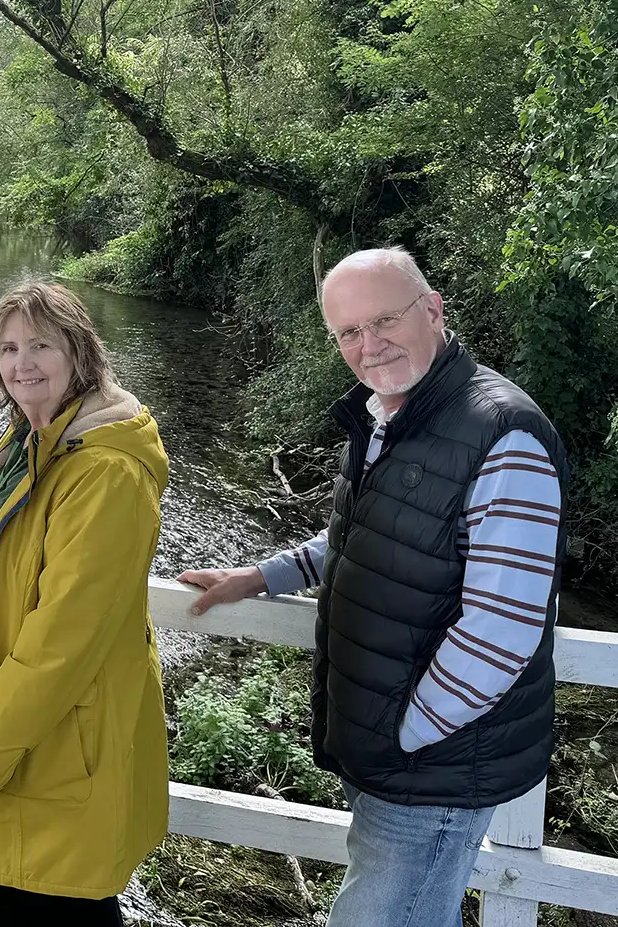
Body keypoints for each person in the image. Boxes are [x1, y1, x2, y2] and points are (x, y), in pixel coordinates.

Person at [177, 247, 566, 927]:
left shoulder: (504, 435)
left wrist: (401, 736)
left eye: (384, 320)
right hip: (396, 755)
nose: (369, 344)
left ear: (434, 311)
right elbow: (371, 537)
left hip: (432, 768)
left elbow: (500, 634)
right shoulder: (389, 414)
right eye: (348, 332)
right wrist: (260, 577)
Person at [0, 280, 169, 926]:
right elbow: (22, 548)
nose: (21, 362)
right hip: (23, 746)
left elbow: (62, 641)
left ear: (79, 353)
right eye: (7, 348)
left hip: (57, 753)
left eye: (41, 345)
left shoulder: (105, 471)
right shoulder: (29, 439)